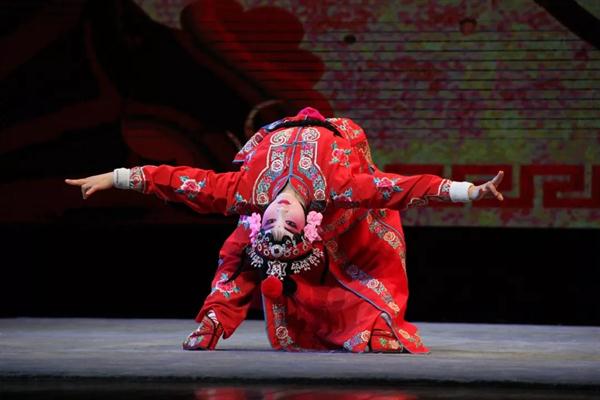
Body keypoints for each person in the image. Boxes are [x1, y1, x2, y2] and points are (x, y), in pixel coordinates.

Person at [66, 107, 503, 353]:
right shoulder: (341, 187)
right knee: (370, 226)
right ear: (307, 223)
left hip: (276, 137)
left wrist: (116, 177)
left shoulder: (247, 193)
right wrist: (469, 191)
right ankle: (217, 321)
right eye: (286, 222)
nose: (278, 213)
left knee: (241, 245)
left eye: (271, 220)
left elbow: (180, 181)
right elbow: (403, 188)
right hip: (340, 145)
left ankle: (214, 321)